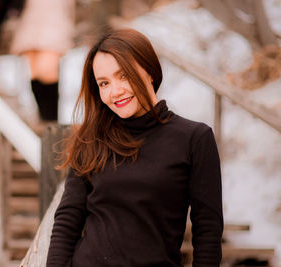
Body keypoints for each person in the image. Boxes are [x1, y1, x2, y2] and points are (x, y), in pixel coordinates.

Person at [47, 28, 223, 266]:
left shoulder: (194, 138)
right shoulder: (91, 139)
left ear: (149, 71)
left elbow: (208, 232)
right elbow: (68, 220)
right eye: (104, 83)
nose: (115, 91)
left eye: (124, 76)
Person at [10, 0, 75, 121]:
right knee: (34, 73)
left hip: (54, 21)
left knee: (47, 72)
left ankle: (51, 119)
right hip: (29, 21)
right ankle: (44, 118)